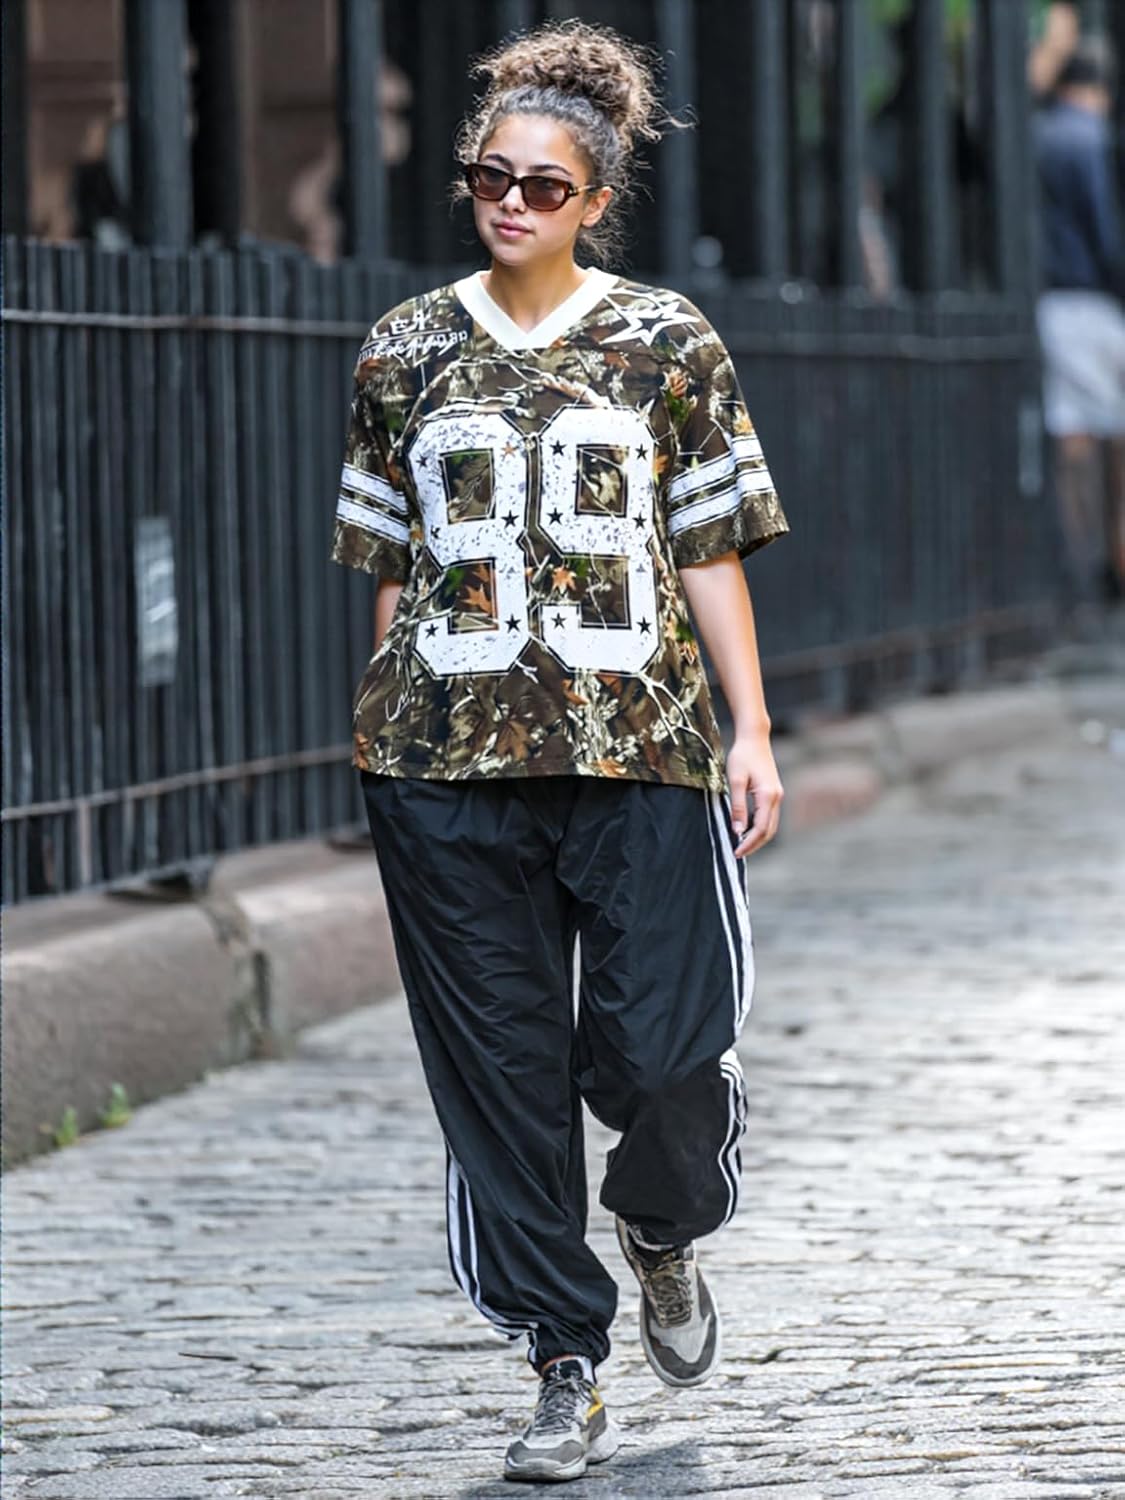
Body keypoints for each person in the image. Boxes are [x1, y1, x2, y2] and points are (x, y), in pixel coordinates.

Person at [329, 19, 789, 1484]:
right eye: (489, 178)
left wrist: (751, 729)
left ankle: (662, 1226)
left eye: (542, 185)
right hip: (442, 771)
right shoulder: (403, 347)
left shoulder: (666, 341)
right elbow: (392, 561)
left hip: (641, 750)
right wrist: (388, 718)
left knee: (662, 1051)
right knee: (501, 1076)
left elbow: (709, 545)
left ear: (595, 197)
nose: (511, 202)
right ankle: (562, 1363)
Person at [1034, 37, 1125, 612]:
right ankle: (1115, 556)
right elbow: (1104, 228)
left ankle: (1079, 562)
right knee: (1115, 438)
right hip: (1096, 300)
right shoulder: (1092, 139)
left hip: (1051, 302)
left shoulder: (1037, 134)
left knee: (1072, 438)